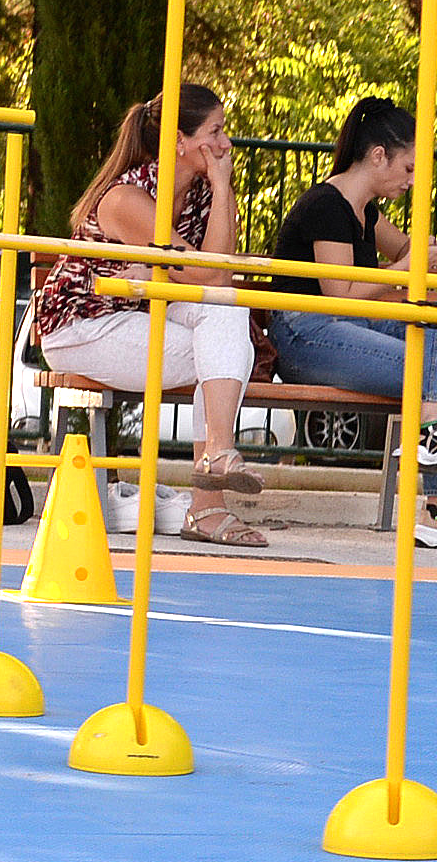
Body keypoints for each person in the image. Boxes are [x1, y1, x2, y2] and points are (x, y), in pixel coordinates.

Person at [28, 84, 266, 547]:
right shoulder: (127, 198)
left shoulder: (203, 192)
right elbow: (209, 274)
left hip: (137, 312)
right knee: (221, 353)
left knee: (225, 318)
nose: (226, 143)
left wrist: (222, 189)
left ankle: (218, 456)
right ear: (179, 140)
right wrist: (180, 274)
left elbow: (217, 276)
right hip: (82, 326)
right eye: (215, 131)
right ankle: (209, 502)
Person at [266, 97, 437, 550]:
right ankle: (434, 458)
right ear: (378, 156)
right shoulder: (326, 206)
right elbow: (340, 294)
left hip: (347, 330)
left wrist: (426, 252)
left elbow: (403, 250)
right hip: (305, 335)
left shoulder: (365, 211)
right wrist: (407, 267)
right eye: (408, 168)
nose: (411, 181)